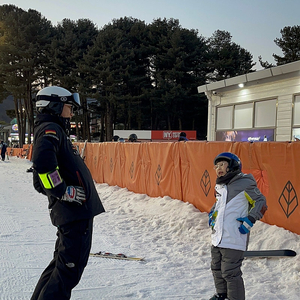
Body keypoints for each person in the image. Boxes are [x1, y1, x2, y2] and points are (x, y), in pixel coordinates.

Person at [30, 86, 105, 300]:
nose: (71, 112)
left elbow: (40, 177)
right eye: (68, 107)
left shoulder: (54, 129)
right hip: (74, 213)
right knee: (67, 272)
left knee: (59, 267)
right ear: (54, 106)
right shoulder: (50, 129)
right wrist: (63, 191)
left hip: (73, 212)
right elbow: (43, 167)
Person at [208, 152, 267, 300]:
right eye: (216, 166)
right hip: (218, 236)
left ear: (233, 165)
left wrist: (250, 220)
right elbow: (219, 205)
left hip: (234, 236)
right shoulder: (220, 185)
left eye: (222, 164)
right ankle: (222, 295)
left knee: (230, 272)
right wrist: (212, 215)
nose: (218, 168)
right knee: (216, 268)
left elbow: (261, 202)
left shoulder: (245, 183)